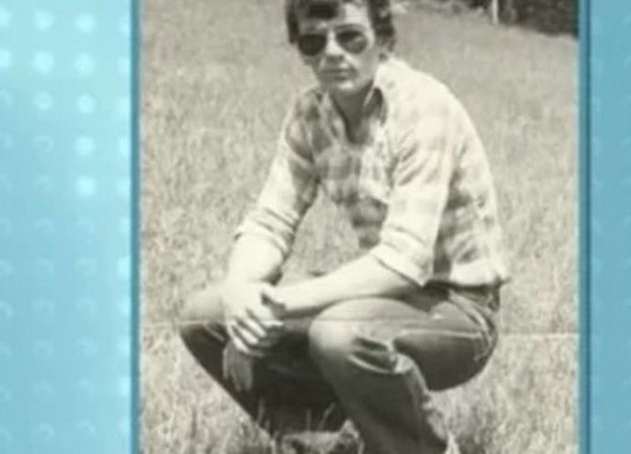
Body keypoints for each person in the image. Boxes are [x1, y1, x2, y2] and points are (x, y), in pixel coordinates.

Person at [179, 0, 510, 452]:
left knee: (340, 333)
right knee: (207, 315)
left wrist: (277, 305)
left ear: (383, 39)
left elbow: (403, 263)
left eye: (350, 36)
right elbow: (270, 221)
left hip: (461, 311)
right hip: (384, 297)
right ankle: (331, 443)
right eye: (314, 41)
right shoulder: (309, 113)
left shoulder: (423, 107)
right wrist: (241, 295)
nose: (333, 52)